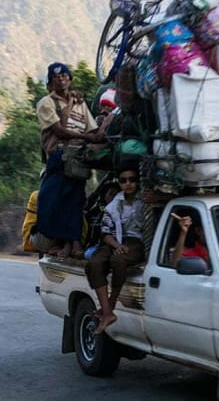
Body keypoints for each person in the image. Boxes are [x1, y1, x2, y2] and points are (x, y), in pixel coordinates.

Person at [35, 62, 103, 258]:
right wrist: (87, 138)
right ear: (50, 82)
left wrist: (100, 133)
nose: (61, 78)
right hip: (58, 157)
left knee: (75, 201)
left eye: (64, 75)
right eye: (56, 76)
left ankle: (72, 244)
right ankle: (55, 242)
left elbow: (91, 127)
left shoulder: (81, 103)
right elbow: (59, 130)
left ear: (70, 79)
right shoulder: (46, 103)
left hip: (77, 157)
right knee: (50, 200)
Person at [85, 167, 150, 335]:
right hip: (115, 239)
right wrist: (116, 246)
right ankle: (107, 312)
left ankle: (110, 305)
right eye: (123, 180)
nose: (128, 184)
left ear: (137, 181)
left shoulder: (146, 199)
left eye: (132, 179)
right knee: (95, 262)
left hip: (136, 241)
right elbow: (105, 233)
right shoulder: (114, 204)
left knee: (118, 261)